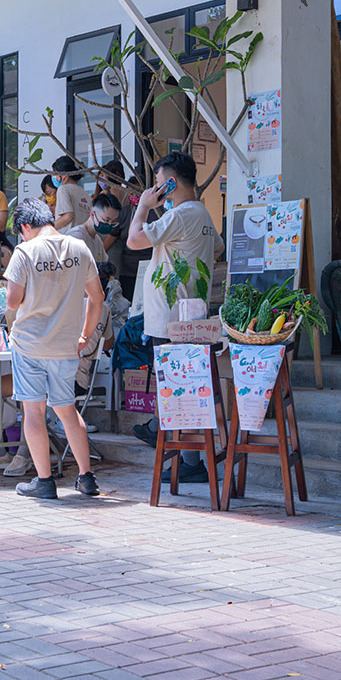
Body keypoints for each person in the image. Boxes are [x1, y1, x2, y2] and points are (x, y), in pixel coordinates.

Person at [125, 151, 225, 484]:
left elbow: (134, 239)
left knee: (178, 389)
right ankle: (187, 459)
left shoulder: (182, 214)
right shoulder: (202, 215)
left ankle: (177, 448)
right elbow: (219, 248)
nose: (155, 189)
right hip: (188, 314)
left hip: (171, 318)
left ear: (170, 183)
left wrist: (142, 206)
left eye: (158, 183)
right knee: (184, 387)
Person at [4, 197, 105, 499]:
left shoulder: (24, 251)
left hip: (29, 344)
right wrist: (85, 336)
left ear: (24, 226)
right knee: (68, 411)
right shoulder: (79, 248)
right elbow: (97, 298)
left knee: (33, 411)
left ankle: (45, 481)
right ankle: (86, 478)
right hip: (65, 345)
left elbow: (11, 301)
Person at [99, 160, 151, 300]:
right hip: (128, 270)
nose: (135, 195)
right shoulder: (126, 212)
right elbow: (111, 236)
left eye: (138, 191)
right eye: (132, 191)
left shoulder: (158, 213)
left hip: (150, 268)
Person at [68, 191, 121, 265]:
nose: (109, 224)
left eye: (113, 222)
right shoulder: (77, 237)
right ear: (93, 214)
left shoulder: (97, 241)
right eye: (106, 220)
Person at [50, 156, 92, 233]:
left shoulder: (63, 189)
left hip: (68, 238)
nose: (53, 177)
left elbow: (68, 216)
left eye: (55, 173)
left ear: (64, 174)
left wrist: (48, 228)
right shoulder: (85, 193)